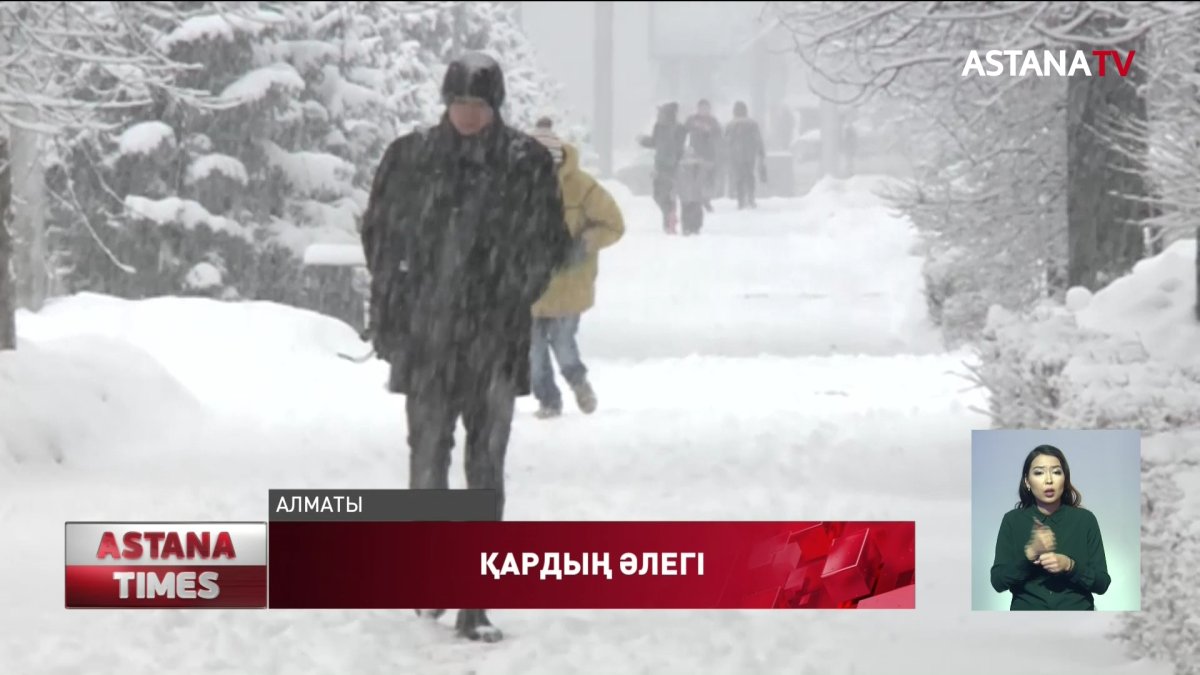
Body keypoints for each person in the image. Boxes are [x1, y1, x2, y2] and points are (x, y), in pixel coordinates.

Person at [360, 52, 572, 642]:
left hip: (494, 338)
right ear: (445, 103)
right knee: (426, 460)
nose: (468, 115)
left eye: (478, 105)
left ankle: (475, 597)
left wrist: (510, 289)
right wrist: (397, 299)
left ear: (496, 106)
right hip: (428, 338)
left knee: (486, 467)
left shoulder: (525, 162)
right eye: (459, 104)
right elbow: (379, 233)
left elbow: (549, 240)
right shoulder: (411, 158)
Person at [528, 117, 625, 418]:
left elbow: (614, 224)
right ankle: (548, 400)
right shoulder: (513, 186)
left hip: (569, 284)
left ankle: (578, 382)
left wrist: (584, 244)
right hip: (526, 286)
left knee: (562, 342)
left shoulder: (583, 188)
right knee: (531, 351)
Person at [989, 444, 1112, 611]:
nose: (1049, 480)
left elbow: (1102, 583)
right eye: (1039, 473)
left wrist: (1070, 566)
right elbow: (998, 582)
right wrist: (1029, 555)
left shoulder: (1085, 519)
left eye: (1056, 472)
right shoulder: (1012, 520)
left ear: (1065, 478)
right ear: (1027, 481)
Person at [638, 102, 687, 234]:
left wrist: (676, 161)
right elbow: (655, 142)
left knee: (667, 195)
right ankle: (670, 216)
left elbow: (678, 147)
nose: (658, 116)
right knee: (658, 195)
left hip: (672, 166)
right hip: (659, 165)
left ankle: (669, 222)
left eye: (661, 113)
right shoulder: (658, 127)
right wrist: (643, 141)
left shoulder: (679, 128)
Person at [724, 101, 767, 209]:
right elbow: (758, 139)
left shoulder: (730, 125)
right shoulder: (752, 124)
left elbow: (726, 141)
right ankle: (751, 198)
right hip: (749, 154)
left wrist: (726, 155)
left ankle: (741, 200)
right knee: (749, 176)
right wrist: (761, 152)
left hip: (736, 155)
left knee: (739, 178)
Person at [684, 99, 722, 212]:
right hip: (694, 154)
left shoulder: (713, 121)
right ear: (698, 108)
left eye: (706, 108)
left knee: (708, 179)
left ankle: (706, 199)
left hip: (709, 154)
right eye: (702, 108)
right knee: (695, 178)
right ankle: (696, 200)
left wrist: (709, 132)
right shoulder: (692, 120)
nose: (704, 110)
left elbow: (718, 135)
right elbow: (683, 131)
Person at [675, 147, 707, 236]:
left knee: (692, 211)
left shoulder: (696, 166)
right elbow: (679, 180)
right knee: (691, 211)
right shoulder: (682, 166)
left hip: (692, 193)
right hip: (690, 194)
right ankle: (690, 228)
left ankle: (691, 227)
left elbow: (701, 179)